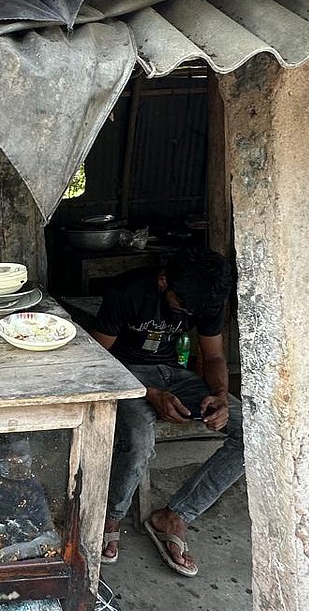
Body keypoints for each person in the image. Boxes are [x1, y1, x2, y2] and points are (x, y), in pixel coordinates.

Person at [94, 247, 242, 577]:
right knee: (139, 439)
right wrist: (151, 394)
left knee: (255, 434)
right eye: (182, 305)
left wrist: (219, 395)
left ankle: (175, 516)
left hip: (174, 373)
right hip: (124, 372)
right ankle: (112, 515)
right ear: (163, 281)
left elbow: (214, 356)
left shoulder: (206, 297)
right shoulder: (126, 292)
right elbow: (97, 360)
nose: (187, 314)